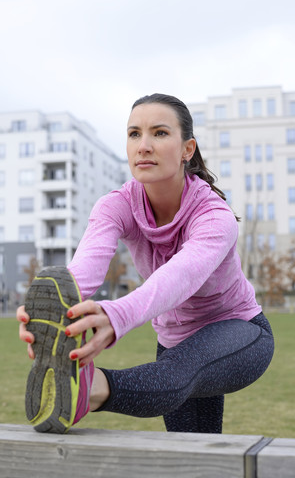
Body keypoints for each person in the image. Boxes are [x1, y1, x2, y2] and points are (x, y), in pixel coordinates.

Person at [17, 93, 274, 434]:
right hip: (175, 340)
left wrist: (116, 315)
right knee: (193, 456)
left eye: (160, 133)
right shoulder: (116, 205)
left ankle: (87, 391)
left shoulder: (214, 216)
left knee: (177, 373)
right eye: (134, 134)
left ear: (188, 149)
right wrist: (59, 312)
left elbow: (181, 275)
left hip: (241, 332)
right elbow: (84, 270)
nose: (144, 145)